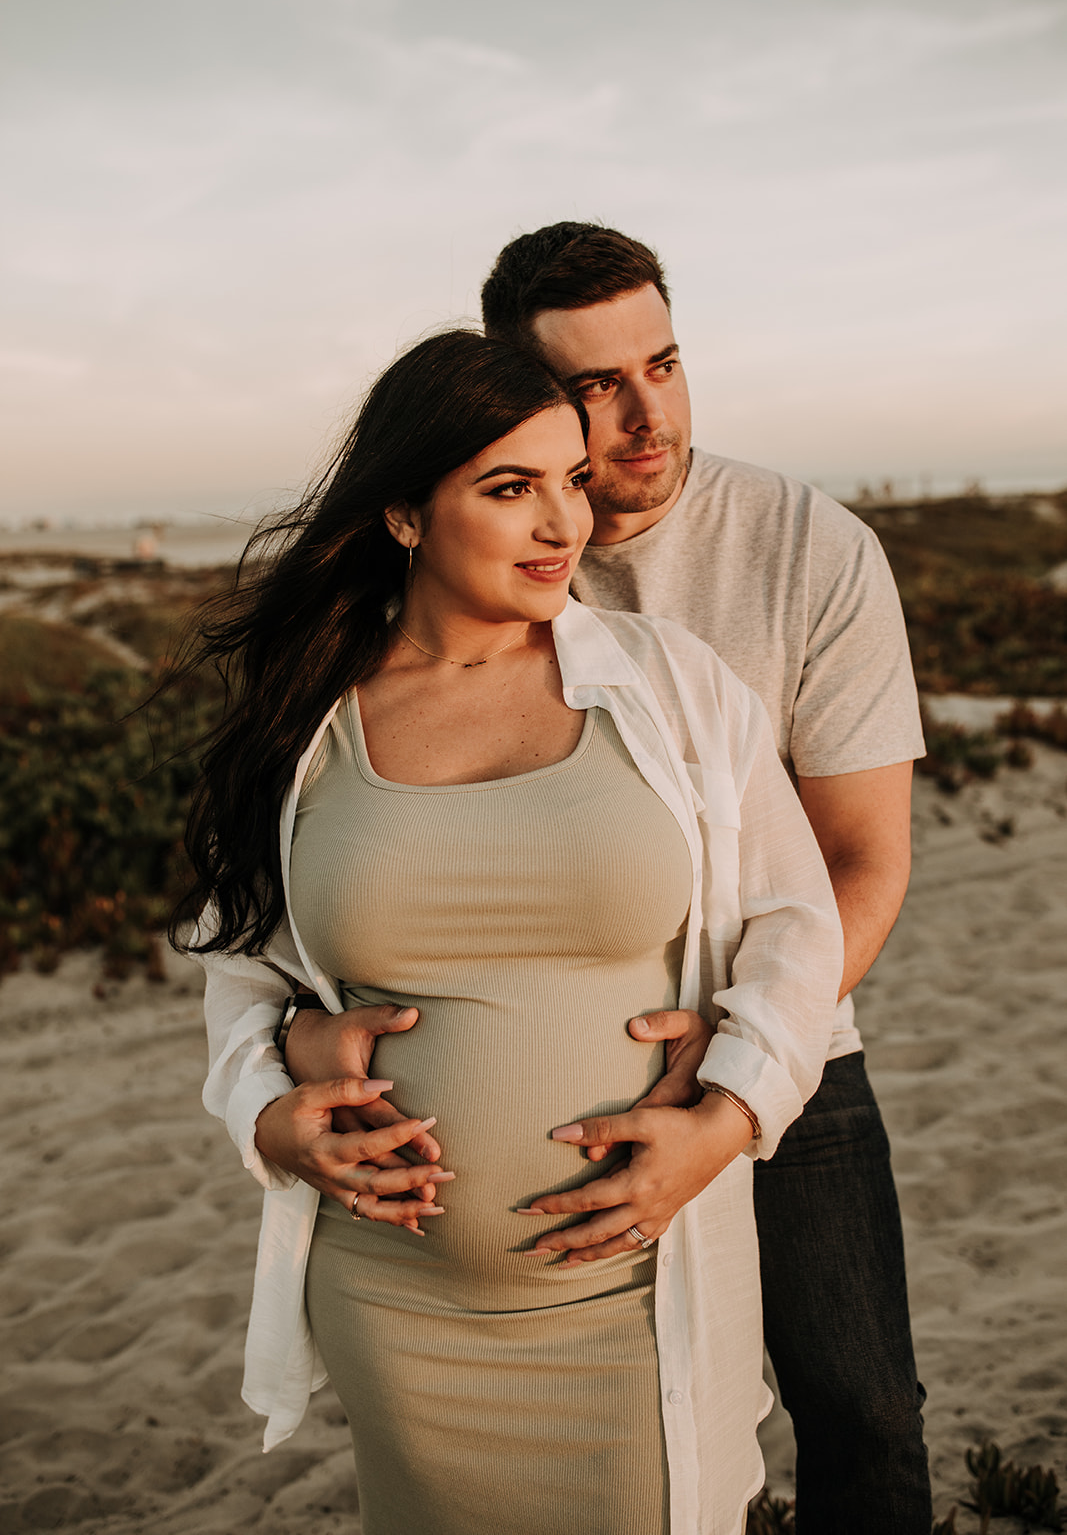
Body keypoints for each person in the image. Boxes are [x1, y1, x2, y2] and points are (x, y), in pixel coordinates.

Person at [178, 329, 843, 1535]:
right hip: (394, 1305)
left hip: (634, 1299)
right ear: (403, 516)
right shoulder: (308, 724)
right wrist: (270, 1109)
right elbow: (239, 976)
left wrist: (729, 1116)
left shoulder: (671, 685)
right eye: (509, 487)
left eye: (571, 482)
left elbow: (797, 925)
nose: (562, 525)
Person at [478, 222, 931, 1535]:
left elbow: (863, 863)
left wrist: (731, 1078)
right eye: (592, 386)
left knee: (860, 1408)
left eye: (661, 365)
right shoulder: (476, 556)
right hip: (557, 1063)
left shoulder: (809, 548)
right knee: (609, 1444)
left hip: (790, 1045)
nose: (642, 415)